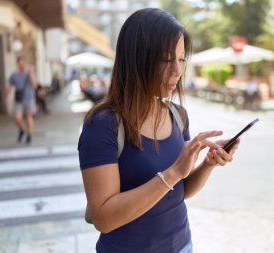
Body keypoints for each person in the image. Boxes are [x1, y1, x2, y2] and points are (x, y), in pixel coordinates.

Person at [78, 8, 240, 253]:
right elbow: (104, 218)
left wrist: (208, 163)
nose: (177, 70)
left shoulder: (178, 115)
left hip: (182, 245)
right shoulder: (103, 124)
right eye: (166, 59)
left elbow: (181, 191)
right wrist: (172, 173)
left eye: (182, 59)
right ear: (136, 58)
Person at [5, 56, 38, 144]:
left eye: (23, 63)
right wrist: (7, 98)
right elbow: (10, 87)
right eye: (19, 63)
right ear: (17, 64)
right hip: (18, 99)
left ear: (25, 63)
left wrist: (30, 73)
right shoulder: (14, 75)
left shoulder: (30, 74)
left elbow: (34, 86)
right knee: (17, 117)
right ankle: (21, 130)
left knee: (28, 117)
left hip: (29, 98)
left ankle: (29, 135)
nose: (21, 65)